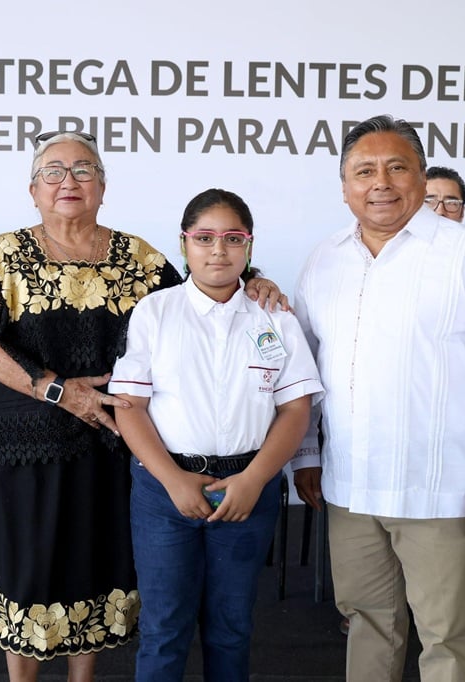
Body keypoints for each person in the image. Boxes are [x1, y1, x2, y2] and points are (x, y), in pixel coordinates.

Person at [0, 132, 285, 682]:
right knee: (27, 572)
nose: (69, 182)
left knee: (95, 569)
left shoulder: (140, 258)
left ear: (103, 188)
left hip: (108, 445)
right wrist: (60, 390)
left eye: (84, 170)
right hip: (22, 449)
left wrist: (256, 280)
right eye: (53, 171)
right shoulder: (4, 254)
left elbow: (200, 294)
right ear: (32, 188)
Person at [291, 114, 465, 681]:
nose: (380, 182)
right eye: (364, 170)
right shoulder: (324, 259)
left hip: (446, 490)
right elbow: (301, 371)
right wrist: (306, 455)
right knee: (368, 624)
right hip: (351, 486)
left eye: (396, 167)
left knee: (447, 637)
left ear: (422, 179)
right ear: (345, 185)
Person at [108, 188, 323, 681]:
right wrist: (173, 481)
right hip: (165, 490)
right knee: (164, 629)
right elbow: (131, 409)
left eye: (232, 238)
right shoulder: (155, 313)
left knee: (231, 628)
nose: (218, 250)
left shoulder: (276, 317)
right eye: (204, 238)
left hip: (247, 488)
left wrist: (252, 481)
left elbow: (294, 410)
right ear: (184, 245)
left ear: (249, 245)